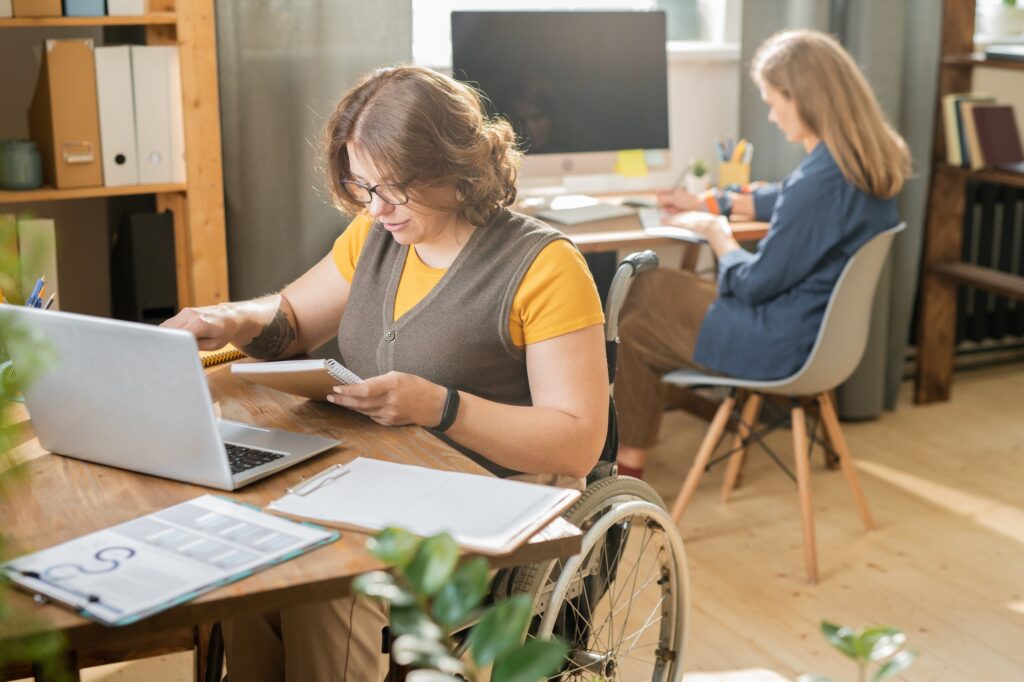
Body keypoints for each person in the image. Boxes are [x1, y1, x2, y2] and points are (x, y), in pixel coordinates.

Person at [162, 65, 608, 681]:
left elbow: (577, 440)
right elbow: (290, 319)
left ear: (459, 164)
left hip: (493, 493)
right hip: (372, 479)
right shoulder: (374, 235)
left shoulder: (544, 266)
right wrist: (233, 318)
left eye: (393, 189)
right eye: (363, 187)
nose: (377, 208)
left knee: (327, 584)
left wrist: (442, 407)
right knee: (261, 564)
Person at [614, 29, 910, 479]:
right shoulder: (863, 162)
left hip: (779, 341)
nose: (771, 117)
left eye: (774, 103)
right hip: (818, 337)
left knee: (643, 296)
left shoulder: (818, 184)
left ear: (805, 97)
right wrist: (713, 201)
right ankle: (627, 468)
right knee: (643, 314)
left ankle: (623, 474)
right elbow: (787, 199)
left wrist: (716, 231)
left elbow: (753, 284)